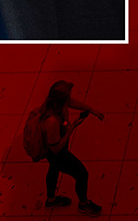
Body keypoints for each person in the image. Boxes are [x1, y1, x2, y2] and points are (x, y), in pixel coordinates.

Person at [37, 80, 106, 215]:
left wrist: (90, 109)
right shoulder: (51, 122)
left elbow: (71, 102)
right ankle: (83, 204)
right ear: (61, 100)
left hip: (56, 148)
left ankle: (51, 200)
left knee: (53, 169)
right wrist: (72, 127)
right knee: (82, 174)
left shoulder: (55, 104)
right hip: (57, 153)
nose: (70, 98)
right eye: (68, 96)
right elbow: (56, 149)